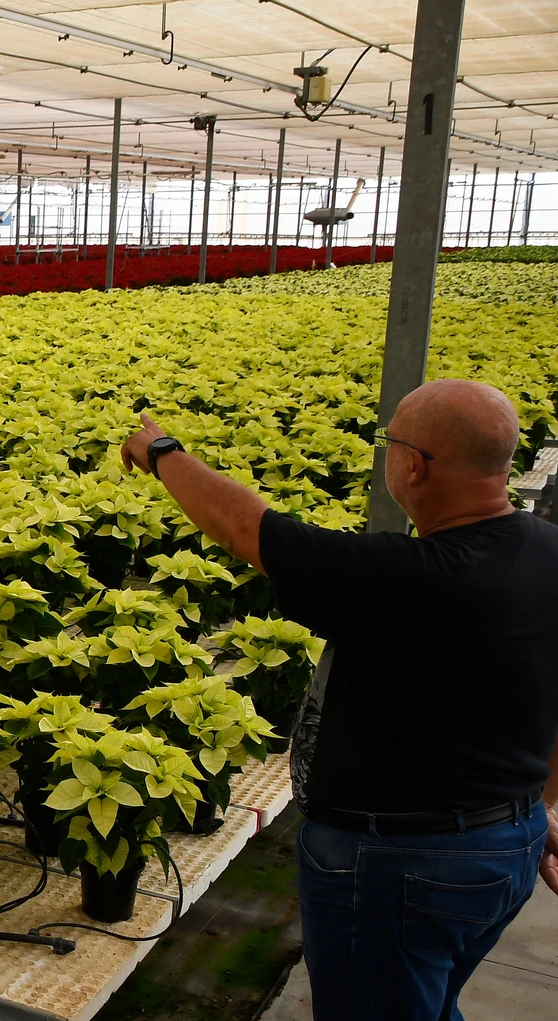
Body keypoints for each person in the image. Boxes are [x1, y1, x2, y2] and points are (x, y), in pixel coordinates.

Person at [117, 378, 558, 1021]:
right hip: (502, 846)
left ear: (412, 464)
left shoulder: (407, 578)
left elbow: (244, 528)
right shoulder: (549, 551)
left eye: (391, 445)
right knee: (428, 1004)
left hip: (397, 867)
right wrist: (530, 805)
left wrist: (162, 450)